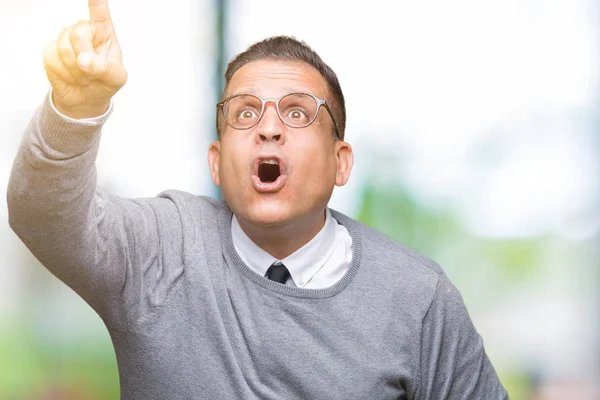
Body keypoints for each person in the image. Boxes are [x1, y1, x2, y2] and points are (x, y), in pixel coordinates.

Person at [7, 1, 508, 399]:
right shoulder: (160, 248)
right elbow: (43, 216)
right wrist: (76, 109)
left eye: (297, 113)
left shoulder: (417, 299)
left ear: (341, 162)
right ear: (216, 161)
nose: (268, 128)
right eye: (245, 114)